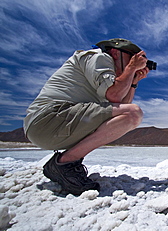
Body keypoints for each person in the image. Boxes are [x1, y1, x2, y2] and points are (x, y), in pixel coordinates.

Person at [23, 38, 151, 195]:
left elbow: (123, 104)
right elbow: (115, 97)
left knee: (129, 115)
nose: (137, 62)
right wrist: (131, 68)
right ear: (116, 53)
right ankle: (64, 164)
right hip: (49, 118)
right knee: (132, 113)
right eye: (132, 58)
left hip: (52, 125)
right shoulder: (99, 56)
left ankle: (67, 163)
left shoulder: (110, 75)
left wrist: (133, 81)